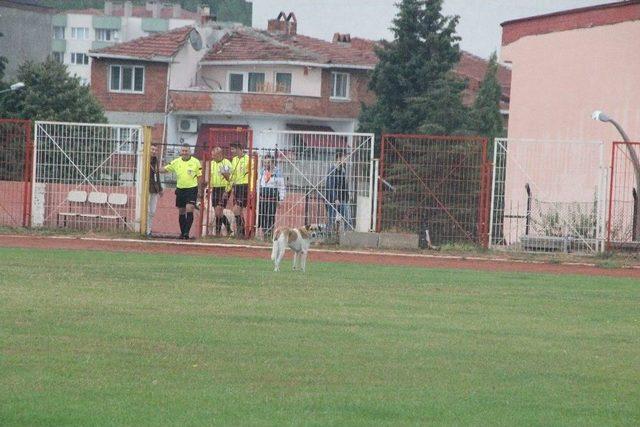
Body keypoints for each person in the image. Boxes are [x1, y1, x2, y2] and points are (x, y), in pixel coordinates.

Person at [163, 144, 203, 239]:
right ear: (181, 152)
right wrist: (152, 167)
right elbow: (164, 169)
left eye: (186, 151)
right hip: (180, 189)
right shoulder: (176, 162)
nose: (184, 153)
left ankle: (186, 233)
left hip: (192, 189)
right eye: (183, 151)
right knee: (181, 211)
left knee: (190, 208)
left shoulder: (196, 162)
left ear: (190, 152)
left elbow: (199, 176)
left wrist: (200, 190)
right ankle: (182, 233)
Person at [257, 153, 285, 240]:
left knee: (270, 216)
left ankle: (268, 234)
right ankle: (264, 232)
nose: (266, 164)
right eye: (265, 162)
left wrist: (281, 199)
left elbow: (281, 187)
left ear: (273, 163)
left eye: (268, 162)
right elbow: (258, 184)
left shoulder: (278, 173)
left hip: (272, 199)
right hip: (262, 198)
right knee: (262, 216)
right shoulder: (261, 172)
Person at [324, 149, 350, 234]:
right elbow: (330, 186)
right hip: (332, 199)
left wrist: (346, 197)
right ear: (339, 158)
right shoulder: (332, 170)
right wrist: (335, 198)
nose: (346, 160)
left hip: (342, 198)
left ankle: (347, 236)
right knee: (331, 218)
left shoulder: (343, 170)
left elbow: (344, 186)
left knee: (347, 217)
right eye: (344, 158)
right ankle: (328, 236)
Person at [209, 147, 233, 236]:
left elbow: (230, 179)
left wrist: (227, 191)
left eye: (213, 155)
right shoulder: (212, 163)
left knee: (219, 210)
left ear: (219, 154)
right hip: (215, 188)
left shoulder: (226, 163)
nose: (212, 157)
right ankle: (218, 233)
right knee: (217, 212)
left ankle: (229, 229)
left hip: (224, 188)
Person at [230, 142, 251, 238]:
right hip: (237, 186)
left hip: (244, 185)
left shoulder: (248, 159)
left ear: (239, 148)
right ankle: (242, 232)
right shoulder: (234, 160)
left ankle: (241, 231)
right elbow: (233, 174)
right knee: (238, 210)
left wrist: (250, 189)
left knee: (236, 209)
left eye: (233, 149)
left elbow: (251, 174)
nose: (231, 151)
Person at [146, 144, 163, 236]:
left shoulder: (156, 161)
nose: (153, 151)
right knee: (146, 210)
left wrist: (160, 188)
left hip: (154, 189)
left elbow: (157, 175)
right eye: (152, 149)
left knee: (152, 211)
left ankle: (149, 229)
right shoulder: (144, 160)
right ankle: (145, 229)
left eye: (155, 150)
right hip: (146, 189)